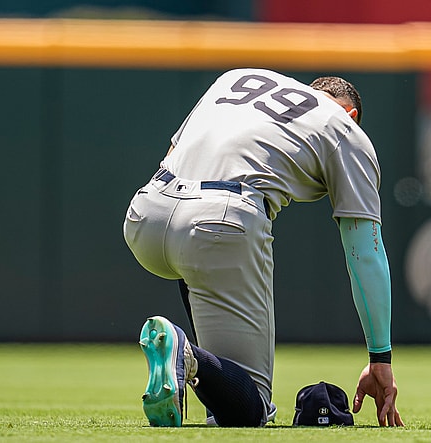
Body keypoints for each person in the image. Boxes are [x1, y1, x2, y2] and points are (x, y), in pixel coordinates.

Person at [123, 68, 403, 427]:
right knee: (250, 409)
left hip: (146, 211)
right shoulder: (344, 127)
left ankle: (196, 367)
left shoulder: (236, 78)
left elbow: (176, 152)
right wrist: (380, 358)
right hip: (217, 222)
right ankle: (187, 355)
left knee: (225, 390)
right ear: (351, 114)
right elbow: (365, 253)